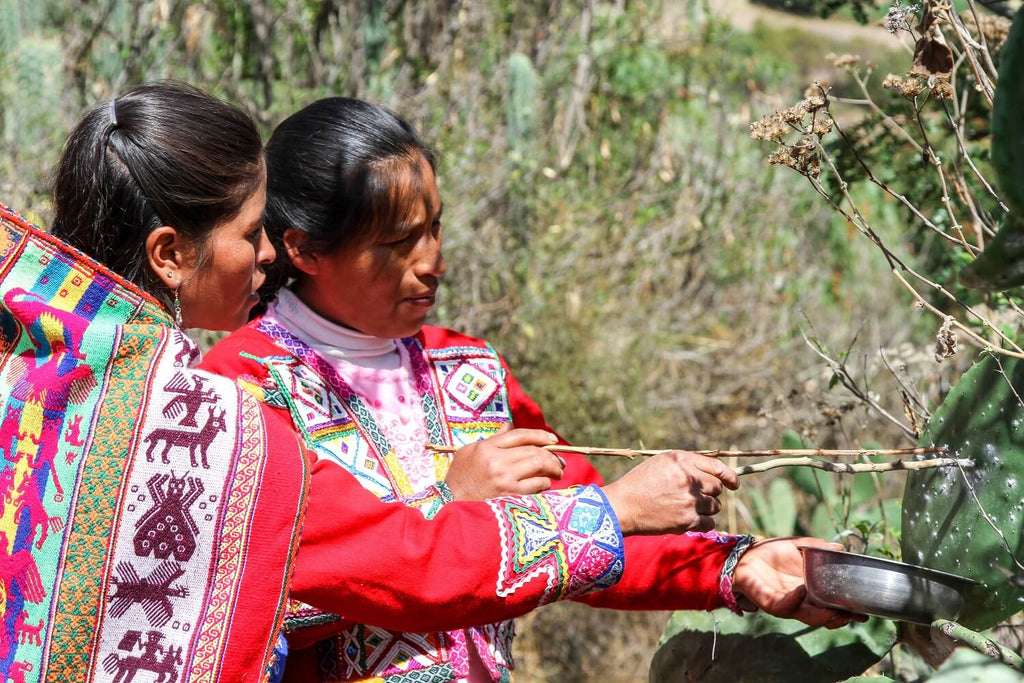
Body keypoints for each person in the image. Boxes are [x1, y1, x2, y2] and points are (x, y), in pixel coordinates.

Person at [0, 83, 825, 682]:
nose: (428, 262)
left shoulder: (35, 376)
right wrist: (461, 499)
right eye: (396, 242)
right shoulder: (224, 412)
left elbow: (581, 532)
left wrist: (729, 566)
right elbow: (379, 568)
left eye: (434, 230)